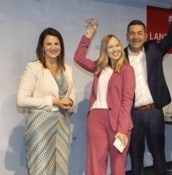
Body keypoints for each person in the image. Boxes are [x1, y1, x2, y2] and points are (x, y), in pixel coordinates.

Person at [124, 0, 172, 174]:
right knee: (135, 155)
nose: (136, 36)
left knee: (158, 154)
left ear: (145, 35)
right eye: (132, 33)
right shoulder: (120, 56)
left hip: (154, 111)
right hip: (132, 113)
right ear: (127, 36)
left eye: (139, 33)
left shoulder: (154, 50)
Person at [74, 18, 135, 175]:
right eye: (110, 47)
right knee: (95, 163)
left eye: (117, 45)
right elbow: (78, 58)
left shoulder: (126, 69)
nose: (115, 49)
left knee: (118, 165)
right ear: (105, 50)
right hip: (96, 118)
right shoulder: (99, 68)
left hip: (118, 121)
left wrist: (122, 129)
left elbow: (127, 101)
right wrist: (88, 34)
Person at [17, 27, 76, 175]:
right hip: (40, 125)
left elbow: (72, 95)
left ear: (61, 46)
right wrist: (53, 101)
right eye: (49, 44)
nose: (53, 47)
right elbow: (21, 100)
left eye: (56, 44)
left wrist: (70, 102)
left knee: (61, 168)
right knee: (41, 169)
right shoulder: (34, 67)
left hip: (62, 124)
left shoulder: (67, 69)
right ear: (42, 46)